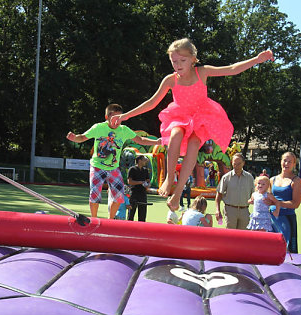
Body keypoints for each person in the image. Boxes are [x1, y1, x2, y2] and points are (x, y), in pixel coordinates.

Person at [111, 38, 274, 211]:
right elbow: (152, 102)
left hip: (201, 117)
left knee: (194, 143)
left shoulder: (201, 73)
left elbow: (232, 69)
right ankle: (169, 176)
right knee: (175, 134)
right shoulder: (170, 80)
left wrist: (257, 59)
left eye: (183, 60)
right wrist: (126, 115)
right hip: (180, 115)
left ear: (193, 59)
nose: (178, 65)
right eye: (174, 61)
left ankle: (177, 193)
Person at [66, 104, 161, 219]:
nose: (117, 122)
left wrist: (157, 142)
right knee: (95, 194)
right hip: (97, 166)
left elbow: (140, 140)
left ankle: (110, 220)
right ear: (107, 117)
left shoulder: (124, 130)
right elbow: (82, 137)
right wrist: (75, 138)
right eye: (114, 118)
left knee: (119, 195)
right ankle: (94, 219)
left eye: (119, 118)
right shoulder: (99, 128)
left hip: (113, 168)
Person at [270, 152, 301, 253]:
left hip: (287, 219)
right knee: (270, 248)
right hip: (271, 218)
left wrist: (278, 203)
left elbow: (295, 204)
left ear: (294, 164)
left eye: (290, 162)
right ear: (281, 162)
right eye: (285, 160)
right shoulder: (272, 180)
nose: (286, 164)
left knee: (287, 250)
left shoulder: (296, 181)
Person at [215, 153, 254, 229]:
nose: (236, 166)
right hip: (230, 211)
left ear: (243, 163)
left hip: (244, 211)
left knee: (244, 236)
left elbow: (254, 194)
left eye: (239, 164)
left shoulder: (249, 178)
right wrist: (217, 210)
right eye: (234, 164)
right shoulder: (226, 177)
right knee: (230, 237)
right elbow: (219, 195)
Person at [127, 155, 150, 221]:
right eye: (144, 160)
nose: (145, 162)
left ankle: (141, 229)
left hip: (143, 194)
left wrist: (148, 185)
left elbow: (148, 181)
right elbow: (130, 181)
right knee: (131, 214)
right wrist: (140, 182)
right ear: (139, 161)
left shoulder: (145, 170)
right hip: (134, 194)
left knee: (142, 215)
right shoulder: (132, 169)